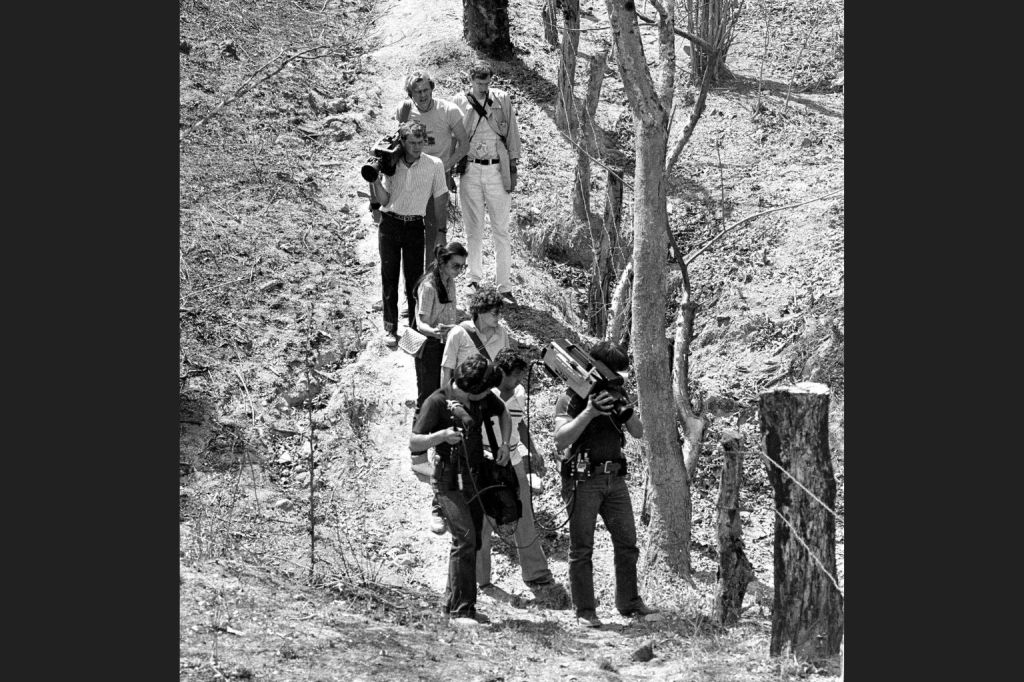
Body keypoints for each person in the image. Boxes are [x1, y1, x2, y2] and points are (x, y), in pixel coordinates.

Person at [552, 340, 660, 628]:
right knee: (582, 547)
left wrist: (624, 408)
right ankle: (586, 610)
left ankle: (629, 602)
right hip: (582, 479)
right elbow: (561, 439)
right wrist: (589, 412)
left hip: (615, 479)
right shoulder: (572, 398)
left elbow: (637, 432)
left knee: (627, 544)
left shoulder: (618, 394)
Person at [410, 354, 512, 621]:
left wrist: (504, 445)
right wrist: (441, 436)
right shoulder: (437, 401)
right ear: (473, 389)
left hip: (475, 478)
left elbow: (503, 412)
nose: (488, 395)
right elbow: (414, 442)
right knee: (465, 539)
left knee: (472, 540)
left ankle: (450, 604)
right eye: (485, 391)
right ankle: (462, 610)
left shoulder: (481, 397)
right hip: (447, 479)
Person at [476, 348, 556, 592]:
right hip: (486, 460)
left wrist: (533, 450)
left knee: (524, 515)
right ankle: (481, 578)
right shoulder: (483, 393)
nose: (519, 382)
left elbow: (520, 425)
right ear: (501, 373)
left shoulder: (519, 393)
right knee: (483, 520)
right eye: (515, 376)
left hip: (513, 458)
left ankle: (535, 572)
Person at [367, 120, 449, 348]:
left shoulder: (434, 165)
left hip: (415, 225)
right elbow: (385, 200)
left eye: (420, 142)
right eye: (411, 142)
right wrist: (374, 182)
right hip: (390, 224)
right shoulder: (391, 164)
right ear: (402, 142)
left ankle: (414, 328)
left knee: (414, 279)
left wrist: (441, 231)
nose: (416, 147)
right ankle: (390, 327)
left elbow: (441, 200)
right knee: (389, 276)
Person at [452, 61, 522, 306]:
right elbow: (454, 136)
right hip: (470, 168)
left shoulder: (501, 99)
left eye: (486, 82)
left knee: (501, 228)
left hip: (496, 169)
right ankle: (473, 277)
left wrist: (513, 165)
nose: (483, 87)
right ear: (470, 80)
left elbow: (511, 132)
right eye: (479, 83)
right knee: (473, 227)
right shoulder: (460, 102)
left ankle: (504, 285)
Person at [411, 241, 468, 535]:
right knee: (427, 397)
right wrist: (437, 332)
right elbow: (420, 321)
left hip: (446, 345)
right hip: (431, 346)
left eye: (462, 267)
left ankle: (428, 442)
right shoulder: (430, 285)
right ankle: (418, 447)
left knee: (444, 396)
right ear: (443, 262)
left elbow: (453, 314)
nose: (459, 272)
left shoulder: (450, 282)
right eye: (455, 265)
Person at [395, 70, 470, 272]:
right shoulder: (404, 111)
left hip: (437, 179)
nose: (422, 95)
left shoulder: (449, 110)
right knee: (409, 233)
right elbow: (399, 142)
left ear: (432, 88)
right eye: (417, 91)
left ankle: (431, 282)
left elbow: (464, 145)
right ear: (410, 93)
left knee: (435, 232)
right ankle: (410, 288)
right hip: (411, 178)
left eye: (426, 90)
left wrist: (443, 168)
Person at [440, 284, 513, 388]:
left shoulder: (502, 334)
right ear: (480, 311)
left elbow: (505, 369)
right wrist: (446, 400)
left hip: (490, 396)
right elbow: (446, 369)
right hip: (464, 396)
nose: (499, 317)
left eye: (500, 312)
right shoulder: (458, 333)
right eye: (495, 313)